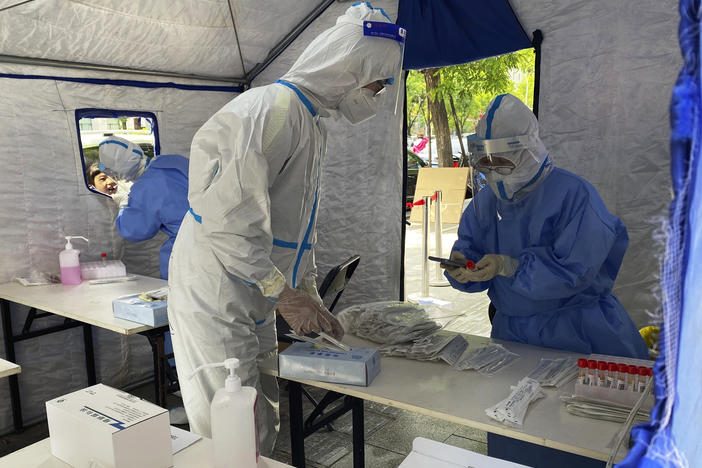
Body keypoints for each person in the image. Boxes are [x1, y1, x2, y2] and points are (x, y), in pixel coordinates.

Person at [167, 2, 405, 455]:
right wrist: (286, 294)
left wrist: (307, 291)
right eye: (378, 83)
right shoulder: (269, 112)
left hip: (253, 286)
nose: (377, 95)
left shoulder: (309, 121)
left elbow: (295, 230)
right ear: (348, 67)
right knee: (227, 420)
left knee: (259, 408)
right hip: (218, 286)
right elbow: (231, 226)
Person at [444, 93, 648, 360]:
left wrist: (510, 266)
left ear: (527, 153)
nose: (493, 172)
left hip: (578, 329)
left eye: (503, 162)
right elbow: (472, 248)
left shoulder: (575, 195)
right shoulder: (484, 204)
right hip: (512, 332)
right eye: (486, 164)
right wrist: (464, 266)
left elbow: (575, 270)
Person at [98, 136, 189, 281]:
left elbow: (134, 230)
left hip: (191, 249)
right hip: (225, 233)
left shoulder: (144, 190)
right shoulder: (172, 161)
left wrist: (123, 204)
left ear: (116, 172)